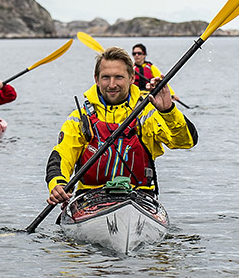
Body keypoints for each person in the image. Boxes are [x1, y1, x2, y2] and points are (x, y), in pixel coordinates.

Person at [46, 46, 197, 205]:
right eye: (106, 77)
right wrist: (58, 183)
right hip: (89, 197)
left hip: (140, 197)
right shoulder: (80, 117)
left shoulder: (148, 113)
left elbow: (185, 142)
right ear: (96, 79)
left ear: (131, 78)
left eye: (119, 77)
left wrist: (168, 111)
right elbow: (62, 155)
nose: (112, 84)